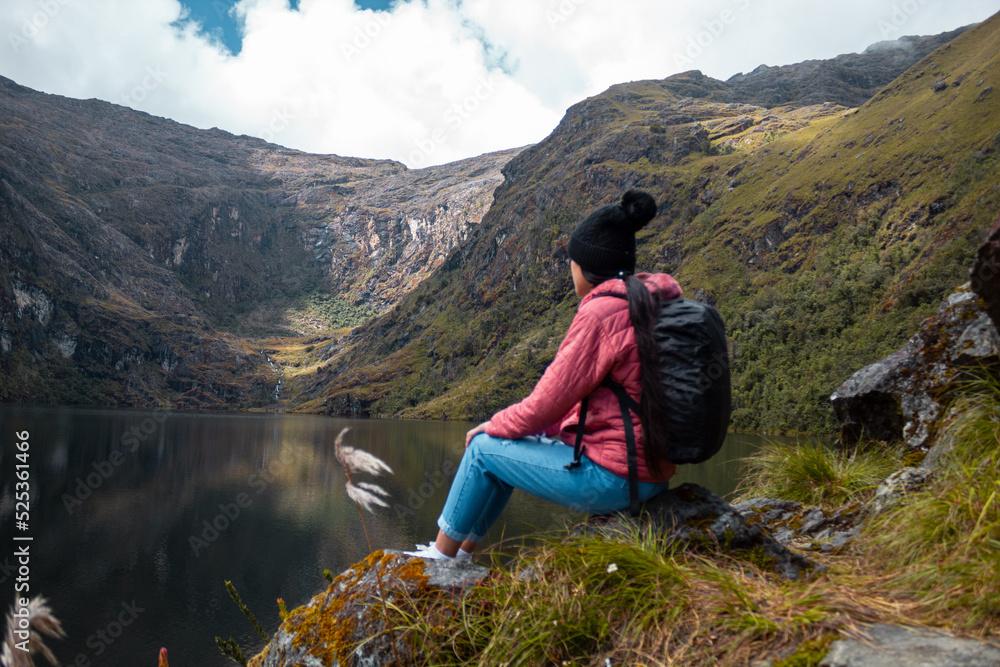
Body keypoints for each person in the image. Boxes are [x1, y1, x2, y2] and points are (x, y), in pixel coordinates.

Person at [406, 190, 681, 560]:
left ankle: (438, 562)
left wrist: (494, 426)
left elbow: (546, 403)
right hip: (652, 474)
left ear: (585, 266)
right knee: (500, 449)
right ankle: (462, 554)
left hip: (615, 479)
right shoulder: (649, 303)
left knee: (482, 450)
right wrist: (514, 428)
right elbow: (597, 406)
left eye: (572, 262)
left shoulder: (600, 315)